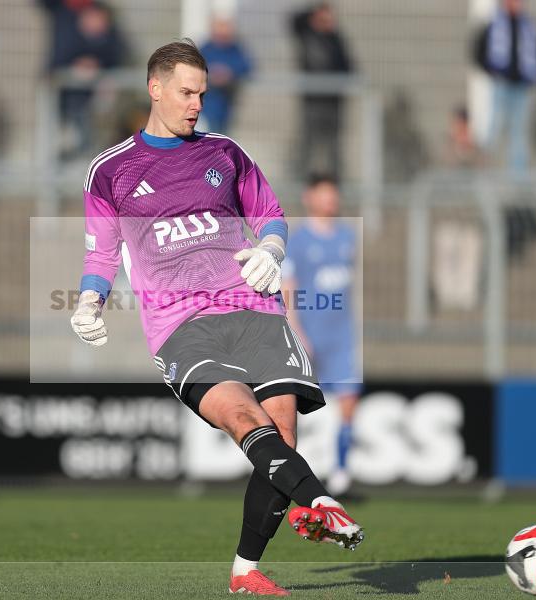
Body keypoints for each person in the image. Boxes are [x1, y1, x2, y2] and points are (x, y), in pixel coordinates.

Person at [69, 39, 364, 596]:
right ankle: (320, 502)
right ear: (155, 89)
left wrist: (272, 251)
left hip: (254, 308)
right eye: (186, 92)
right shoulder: (110, 172)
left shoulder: (224, 152)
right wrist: (89, 300)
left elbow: (272, 217)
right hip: (180, 325)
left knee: (281, 433)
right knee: (240, 418)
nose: (195, 104)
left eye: (202, 93)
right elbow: (101, 253)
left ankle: (245, 571)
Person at [281, 175, 360, 497]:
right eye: (324, 193)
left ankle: (341, 472)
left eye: (334, 193)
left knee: (349, 401)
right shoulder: (297, 241)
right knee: (300, 406)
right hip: (309, 334)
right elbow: (288, 288)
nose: (330, 199)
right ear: (309, 196)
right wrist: (296, 331)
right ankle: (296, 471)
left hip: (341, 337)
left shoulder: (347, 237)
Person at [37, 0, 127, 158]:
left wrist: (97, 67)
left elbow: (116, 56)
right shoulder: (63, 14)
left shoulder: (109, 37)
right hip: (61, 94)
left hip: (90, 102)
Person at [474, 0, 536, 174]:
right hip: (501, 85)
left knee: (519, 134)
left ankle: (517, 178)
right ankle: (486, 171)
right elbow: (478, 51)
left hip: (521, 88)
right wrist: (491, 71)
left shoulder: (529, 26)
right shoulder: (494, 24)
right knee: (494, 129)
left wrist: (534, 76)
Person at [291, 3, 354, 178]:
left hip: (333, 103)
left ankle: (335, 181)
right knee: (308, 143)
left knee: (333, 145)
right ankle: (302, 179)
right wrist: (314, 13)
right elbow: (294, 19)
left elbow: (348, 65)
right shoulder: (307, 34)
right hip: (313, 102)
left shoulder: (335, 39)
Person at [199, 17, 252, 134]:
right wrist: (210, 74)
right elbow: (194, 68)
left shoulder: (235, 49)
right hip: (206, 105)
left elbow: (247, 67)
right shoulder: (205, 49)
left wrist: (230, 73)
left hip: (227, 105)